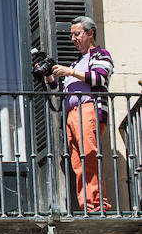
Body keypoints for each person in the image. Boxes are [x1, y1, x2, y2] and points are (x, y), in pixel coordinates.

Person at [48, 16, 113, 212]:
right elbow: (58, 91)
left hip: (88, 110)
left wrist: (69, 72)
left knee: (89, 155)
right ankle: (87, 204)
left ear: (90, 33)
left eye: (77, 34)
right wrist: (50, 75)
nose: (74, 39)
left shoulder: (101, 55)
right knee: (78, 162)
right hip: (72, 114)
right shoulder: (76, 63)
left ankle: (96, 205)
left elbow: (99, 77)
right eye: (72, 36)